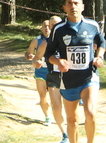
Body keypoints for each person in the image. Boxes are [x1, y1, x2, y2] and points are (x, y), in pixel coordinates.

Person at [44, 0, 105, 143]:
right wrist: (58, 62)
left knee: (90, 113)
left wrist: (100, 57)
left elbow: (102, 43)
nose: (73, 6)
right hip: (68, 80)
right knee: (72, 121)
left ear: (83, 7)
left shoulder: (92, 25)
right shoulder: (58, 29)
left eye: (76, 3)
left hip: (89, 77)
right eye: (70, 3)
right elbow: (49, 54)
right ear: (64, 8)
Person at [31, 15, 69, 143]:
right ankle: (64, 134)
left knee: (70, 108)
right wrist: (36, 62)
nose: (53, 27)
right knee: (57, 107)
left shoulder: (71, 38)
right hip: (53, 76)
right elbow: (36, 58)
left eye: (56, 24)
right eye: (51, 25)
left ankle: (72, 128)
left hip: (71, 77)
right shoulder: (45, 43)